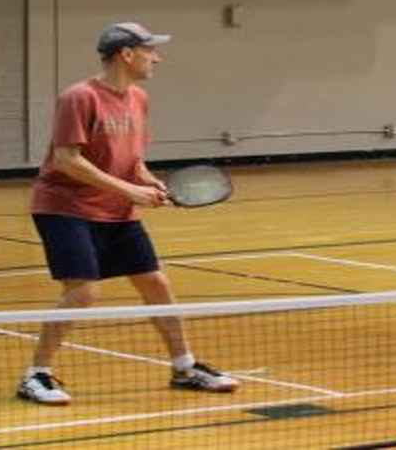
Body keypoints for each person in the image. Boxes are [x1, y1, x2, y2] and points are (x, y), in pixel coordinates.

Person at [17, 22, 239, 405]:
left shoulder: (138, 98)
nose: (158, 57)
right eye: (151, 50)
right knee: (83, 291)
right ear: (127, 53)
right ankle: (36, 374)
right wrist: (130, 191)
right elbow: (66, 160)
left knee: (156, 283)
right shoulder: (80, 97)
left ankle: (184, 367)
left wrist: (151, 184)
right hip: (65, 207)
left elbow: (132, 161)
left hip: (116, 210)